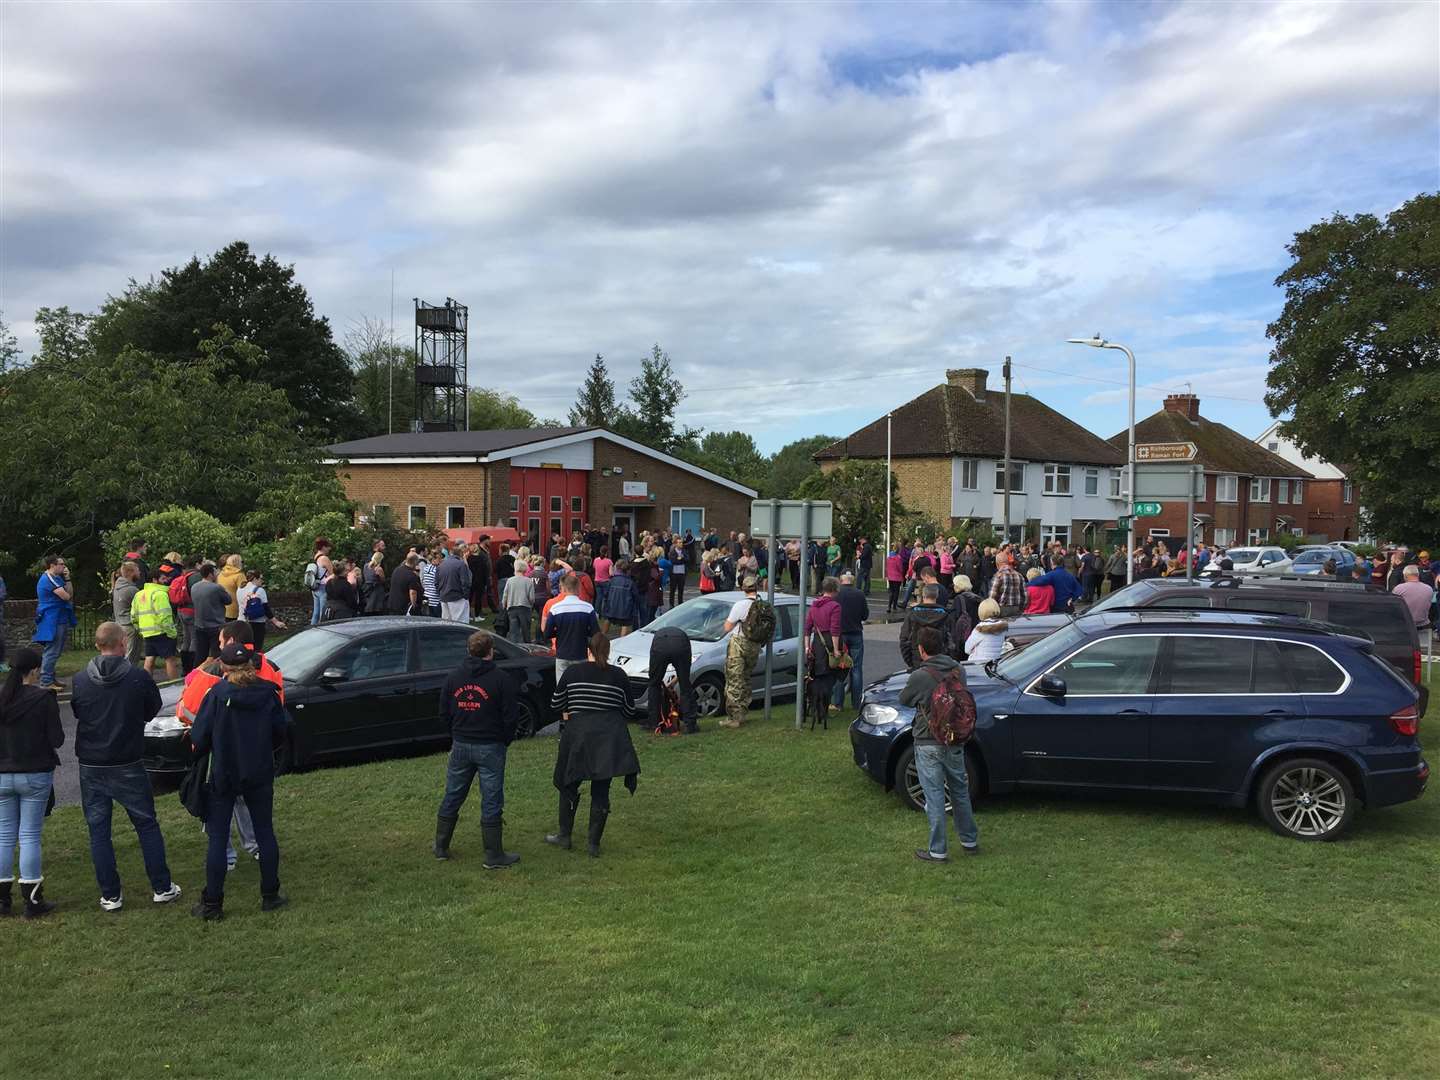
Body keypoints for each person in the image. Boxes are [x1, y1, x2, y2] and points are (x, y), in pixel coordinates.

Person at [72, 622, 182, 913]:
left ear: (98, 645)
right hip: (127, 760)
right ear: (121, 643)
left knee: (99, 831)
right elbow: (151, 708)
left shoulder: (81, 679)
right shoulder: (136, 677)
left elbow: (79, 711)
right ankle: (161, 887)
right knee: (146, 824)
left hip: (92, 762)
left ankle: (110, 895)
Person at [189, 643, 289, 920]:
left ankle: (213, 903)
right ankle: (270, 894)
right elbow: (281, 731)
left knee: (218, 838)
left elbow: (199, 736)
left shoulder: (217, 695)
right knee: (264, 831)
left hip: (224, 772)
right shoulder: (268, 693)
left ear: (223, 667)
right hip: (258, 770)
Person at [546, 633, 641, 857]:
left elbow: (556, 703)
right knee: (601, 788)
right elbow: (629, 711)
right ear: (608, 652)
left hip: (578, 734)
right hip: (608, 737)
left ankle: (564, 836)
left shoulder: (572, 672)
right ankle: (593, 844)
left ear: (588, 650)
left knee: (569, 782)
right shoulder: (618, 675)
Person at [434, 630, 520, 867]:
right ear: (490, 652)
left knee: (453, 793)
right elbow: (511, 716)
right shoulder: (501, 679)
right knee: (492, 798)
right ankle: (493, 855)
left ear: (469, 651)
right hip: (490, 745)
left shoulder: (454, 677)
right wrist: (504, 739)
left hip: (461, 744)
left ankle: (441, 846)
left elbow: (444, 712)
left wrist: (455, 733)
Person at [901, 625, 979, 862]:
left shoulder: (920, 676)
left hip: (927, 740)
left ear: (922, 650)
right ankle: (969, 839)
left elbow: (904, 699)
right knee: (959, 790)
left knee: (934, 795)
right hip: (954, 738)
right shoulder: (958, 670)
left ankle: (938, 849)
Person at [0, 648, 65, 916]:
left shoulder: (2, 700)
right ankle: (33, 899)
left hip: (3, 773)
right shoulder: (43, 699)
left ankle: (2, 899)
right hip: (35, 772)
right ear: (36, 670)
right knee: (29, 835)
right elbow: (57, 739)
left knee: (4, 836)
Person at [719, 575, 765, 729]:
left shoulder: (740, 605)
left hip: (739, 644)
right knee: (745, 678)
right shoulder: (762, 605)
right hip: (754, 647)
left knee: (734, 680)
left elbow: (727, 627)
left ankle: (735, 718)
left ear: (743, 589)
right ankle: (743, 712)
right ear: (756, 588)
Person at [543, 574, 600, 683]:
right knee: (580, 685)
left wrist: (560, 632)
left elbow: (547, 634)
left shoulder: (556, 608)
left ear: (563, 588)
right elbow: (596, 633)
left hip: (562, 654)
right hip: (580, 654)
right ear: (578, 588)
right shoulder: (587, 608)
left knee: (561, 686)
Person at [33, 555, 76, 691]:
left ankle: (51, 678)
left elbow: (70, 594)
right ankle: (46, 682)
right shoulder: (49, 579)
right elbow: (66, 596)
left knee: (55, 651)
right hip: (52, 619)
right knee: (51, 651)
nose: (64, 567)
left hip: (59, 618)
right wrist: (67, 591)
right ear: (52, 565)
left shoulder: (57, 578)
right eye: (61, 564)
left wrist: (67, 578)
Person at [131, 566, 182, 680]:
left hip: (147, 633)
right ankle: (174, 685)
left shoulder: (139, 594)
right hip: (162, 632)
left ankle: (145, 684)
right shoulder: (160, 594)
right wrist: (172, 633)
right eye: (163, 578)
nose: (166, 581)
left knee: (149, 658)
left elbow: (133, 616)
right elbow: (165, 616)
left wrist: (139, 629)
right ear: (155, 580)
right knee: (170, 659)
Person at [804, 576, 844, 719]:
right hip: (828, 643)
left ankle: (816, 707)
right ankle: (823, 708)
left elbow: (807, 628)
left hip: (817, 644)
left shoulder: (814, 606)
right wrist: (836, 650)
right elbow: (835, 629)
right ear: (834, 590)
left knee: (818, 677)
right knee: (830, 678)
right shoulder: (835, 606)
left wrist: (807, 647)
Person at [648, 625, 697, 735]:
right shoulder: (683, 637)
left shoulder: (658, 636)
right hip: (680, 644)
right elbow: (684, 674)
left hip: (660, 644)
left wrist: (668, 682)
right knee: (685, 686)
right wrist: (679, 679)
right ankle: (690, 725)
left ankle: (654, 723)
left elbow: (654, 679)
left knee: (654, 684)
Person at [833, 572, 868, 711]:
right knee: (856, 669)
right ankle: (856, 702)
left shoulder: (837, 595)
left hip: (841, 635)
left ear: (841, 581)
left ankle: (838, 703)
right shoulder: (860, 594)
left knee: (840, 668)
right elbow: (865, 614)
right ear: (852, 581)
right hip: (856, 633)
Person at [900, 583, 950, 670]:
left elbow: (904, 640)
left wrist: (911, 661)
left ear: (923, 595)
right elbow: (950, 641)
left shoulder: (912, 614)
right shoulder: (945, 615)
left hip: (917, 659)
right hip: (940, 661)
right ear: (936, 596)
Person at [237, 570, 285, 651]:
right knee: (257, 648)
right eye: (261, 578)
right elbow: (266, 608)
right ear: (255, 579)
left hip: (242, 621)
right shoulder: (260, 590)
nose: (262, 581)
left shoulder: (239, 589)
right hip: (257, 623)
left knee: (245, 648)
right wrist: (276, 622)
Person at [190, 563, 229, 661]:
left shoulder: (194, 587)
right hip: (216, 625)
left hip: (199, 624)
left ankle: (197, 672)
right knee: (217, 653)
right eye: (215, 572)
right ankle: (216, 673)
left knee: (200, 653)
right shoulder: (216, 588)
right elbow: (228, 600)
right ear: (211, 574)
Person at [112, 560, 145, 667]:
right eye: (138, 570)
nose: (140, 573)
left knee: (123, 654)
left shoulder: (117, 587)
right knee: (131, 657)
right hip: (130, 626)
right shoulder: (131, 590)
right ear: (131, 573)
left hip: (120, 624)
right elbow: (142, 606)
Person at [437, 541, 473, 623]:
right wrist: (465, 596)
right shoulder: (461, 564)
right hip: (457, 597)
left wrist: (440, 593)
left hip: (444, 596)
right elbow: (465, 582)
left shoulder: (441, 564)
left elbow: (436, 582)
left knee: (446, 622)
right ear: (460, 554)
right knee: (460, 622)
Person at [964, 599, 1009, 663]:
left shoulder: (980, 628)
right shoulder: (1002, 627)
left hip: (978, 663)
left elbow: (967, 649)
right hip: (994, 663)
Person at [501, 565, 536, 644]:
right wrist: (531, 605)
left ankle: (513, 648)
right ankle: (527, 647)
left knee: (513, 631)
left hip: (512, 607)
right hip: (525, 607)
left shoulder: (510, 580)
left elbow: (505, 594)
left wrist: (504, 605)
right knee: (526, 631)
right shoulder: (528, 581)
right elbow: (532, 598)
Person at [604, 561, 640, 636]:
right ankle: (621, 642)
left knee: (608, 620)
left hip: (612, 607)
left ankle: (602, 636)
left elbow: (606, 593)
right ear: (627, 570)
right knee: (625, 624)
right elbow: (636, 596)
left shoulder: (612, 580)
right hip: (625, 610)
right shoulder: (630, 582)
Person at [988, 552, 1026, 618]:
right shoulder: (1019, 575)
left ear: (997, 564)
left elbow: (992, 597)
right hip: (1016, 609)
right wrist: (1021, 608)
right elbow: (1025, 596)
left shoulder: (998, 576)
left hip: (1002, 609)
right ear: (1008, 562)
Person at [467, 537, 492, 618]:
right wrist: (486, 581)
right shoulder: (481, 559)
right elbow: (484, 571)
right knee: (478, 599)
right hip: (480, 581)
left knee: (469, 598)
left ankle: (469, 615)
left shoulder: (468, 559)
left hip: (471, 581)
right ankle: (477, 616)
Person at [217, 554, 246, 619]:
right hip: (236, 610)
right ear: (238, 563)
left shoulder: (221, 574)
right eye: (242, 561)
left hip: (222, 609)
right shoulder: (239, 576)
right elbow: (245, 593)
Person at [362, 549, 388, 615]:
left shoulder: (366, 566)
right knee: (377, 608)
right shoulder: (378, 569)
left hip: (367, 589)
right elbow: (383, 580)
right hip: (376, 590)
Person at [420, 548, 443, 617]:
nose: (441, 561)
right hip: (435, 599)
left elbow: (423, 581)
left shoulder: (426, 568)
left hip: (426, 597)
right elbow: (438, 584)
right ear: (434, 559)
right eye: (440, 559)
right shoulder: (437, 570)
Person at [884, 543, 904, 613]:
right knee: (896, 592)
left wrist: (887, 575)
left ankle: (889, 606)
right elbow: (900, 568)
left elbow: (887, 567)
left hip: (890, 577)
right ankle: (894, 606)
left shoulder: (889, 558)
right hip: (897, 577)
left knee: (891, 592)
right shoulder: (898, 558)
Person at [668, 538, 687, 608]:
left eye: (681, 542)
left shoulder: (684, 551)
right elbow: (673, 561)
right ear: (675, 544)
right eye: (679, 542)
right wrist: (681, 559)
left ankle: (680, 603)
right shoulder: (672, 552)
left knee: (681, 589)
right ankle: (671, 604)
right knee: (672, 589)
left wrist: (682, 558)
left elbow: (688, 559)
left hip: (682, 573)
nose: (681, 544)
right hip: (674, 573)